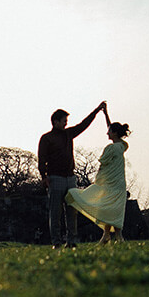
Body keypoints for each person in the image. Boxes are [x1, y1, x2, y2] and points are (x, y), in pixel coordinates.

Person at [38, 100, 106, 247]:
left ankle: (72, 241)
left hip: (70, 178)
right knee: (55, 213)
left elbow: (83, 125)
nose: (66, 124)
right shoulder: (46, 138)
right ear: (55, 122)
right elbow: (42, 158)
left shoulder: (69, 134)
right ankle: (56, 242)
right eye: (63, 121)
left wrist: (96, 110)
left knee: (72, 212)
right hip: (55, 178)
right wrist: (44, 177)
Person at [65, 107, 130, 245]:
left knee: (109, 209)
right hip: (119, 184)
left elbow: (103, 162)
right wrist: (106, 114)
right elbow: (114, 130)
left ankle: (117, 236)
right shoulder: (122, 146)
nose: (107, 133)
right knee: (112, 209)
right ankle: (106, 235)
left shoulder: (111, 148)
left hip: (109, 184)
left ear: (114, 133)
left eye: (109, 131)